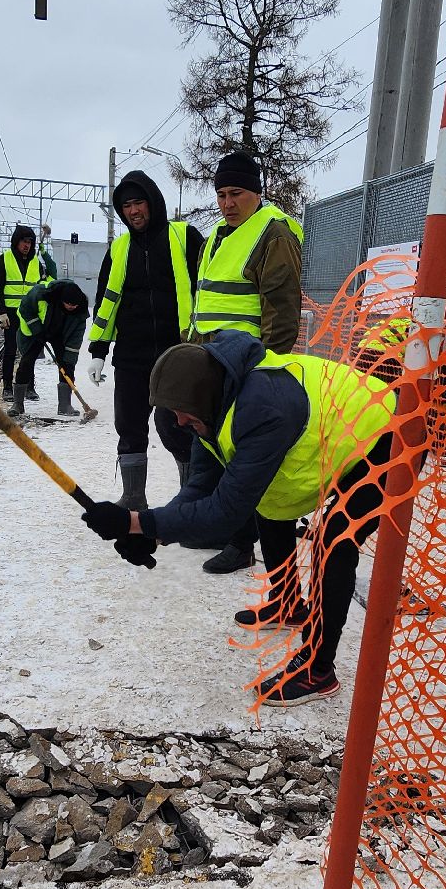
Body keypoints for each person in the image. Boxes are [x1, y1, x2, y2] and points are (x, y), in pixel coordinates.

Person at [78, 331, 397, 707]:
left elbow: (225, 515)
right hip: (343, 432)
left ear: (201, 397)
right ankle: (288, 604)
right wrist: (153, 533)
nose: (179, 421)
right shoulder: (213, 400)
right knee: (272, 506)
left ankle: (318, 670)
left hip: (387, 435)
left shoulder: (262, 407)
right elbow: (199, 487)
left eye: (182, 411)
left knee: (335, 538)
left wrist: (135, 523)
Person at [187, 150, 307, 576]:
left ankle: (240, 543)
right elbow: (205, 304)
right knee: (209, 450)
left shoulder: (272, 234)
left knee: (238, 459)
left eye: (236, 193)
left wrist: (266, 373)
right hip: (211, 366)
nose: (227, 202)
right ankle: (219, 527)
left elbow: (282, 311)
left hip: (245, 370)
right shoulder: (218, 234)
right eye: (220, 194)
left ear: (256, 192)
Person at [87, 170, 205, 509]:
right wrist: (98, 350)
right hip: (131, 356)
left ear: (152, 202)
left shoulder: (185, 237)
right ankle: (133, 496)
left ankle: (191, 495)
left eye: (139, 202)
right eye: (126, 205)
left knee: (178, 426)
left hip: (177, 354)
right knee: (129, 426)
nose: (134, 210)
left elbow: (208, 290)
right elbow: (106, 302)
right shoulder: (119, 249)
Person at [0, 225, 58, 397]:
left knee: (30, 351)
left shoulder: (36, 262)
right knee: (11, 349)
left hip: (28, 313)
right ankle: (7, 387)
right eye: (23, 241)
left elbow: (46, 282)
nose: (26, 245)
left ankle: (29, 386)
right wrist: (1, 312)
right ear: (16, 241)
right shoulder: (4, 260)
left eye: (30, 242)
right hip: (11, 313)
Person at [11, 279, 90, 418]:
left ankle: (65, 405)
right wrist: (36, 328)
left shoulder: (80, 311)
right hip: (38, 330)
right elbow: (25, 308)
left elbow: (75, 338)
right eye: (69, 304)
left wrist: (69, 360)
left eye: (74, 305)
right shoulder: (41, 293)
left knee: (67, 366)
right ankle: (17, 404)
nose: (72, 307)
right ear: (61, 300)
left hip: (59, 335)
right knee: (26, 363)